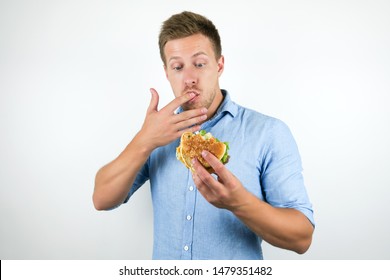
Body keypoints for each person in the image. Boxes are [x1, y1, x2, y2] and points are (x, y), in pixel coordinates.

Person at [93, 11, 315, 260]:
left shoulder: (268, 132)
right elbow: (101, 198)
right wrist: (144, 140)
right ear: (167, 72)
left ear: (219, 65)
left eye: (199, 64)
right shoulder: (156, 134)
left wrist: (238, 202)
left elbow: (302, 237)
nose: (189, 78)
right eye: (178, 67)